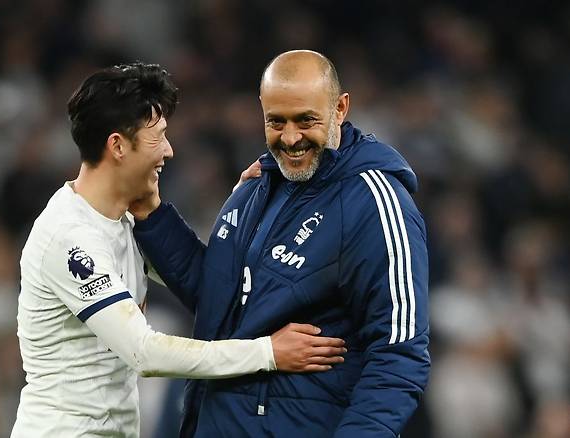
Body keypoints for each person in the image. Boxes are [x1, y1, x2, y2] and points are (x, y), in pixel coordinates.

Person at [11, 62, 346, 437]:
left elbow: (206, 282)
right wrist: (267, 352)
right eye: (158, 138)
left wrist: (242, 205)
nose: (168, 151)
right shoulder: (70, 237)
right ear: (118, 146)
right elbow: (144, 352)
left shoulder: (123, 220)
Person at [132, 50, 431, 437]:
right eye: (276, 121)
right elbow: (218, 301)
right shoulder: (256, 187)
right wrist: (152, 215)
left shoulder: (374, 203)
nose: (290, 138)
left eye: (306, 120)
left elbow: (399, 354)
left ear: (340, 108)